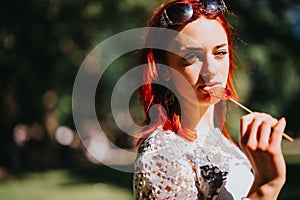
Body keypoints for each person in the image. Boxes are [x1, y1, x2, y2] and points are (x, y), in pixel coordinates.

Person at [133, 0, 287, 199]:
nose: (211, 71)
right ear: (165, 71)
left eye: (220, 53)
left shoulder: (220, 141)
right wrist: (267, 186)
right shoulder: (163, 153)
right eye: (191, 57)